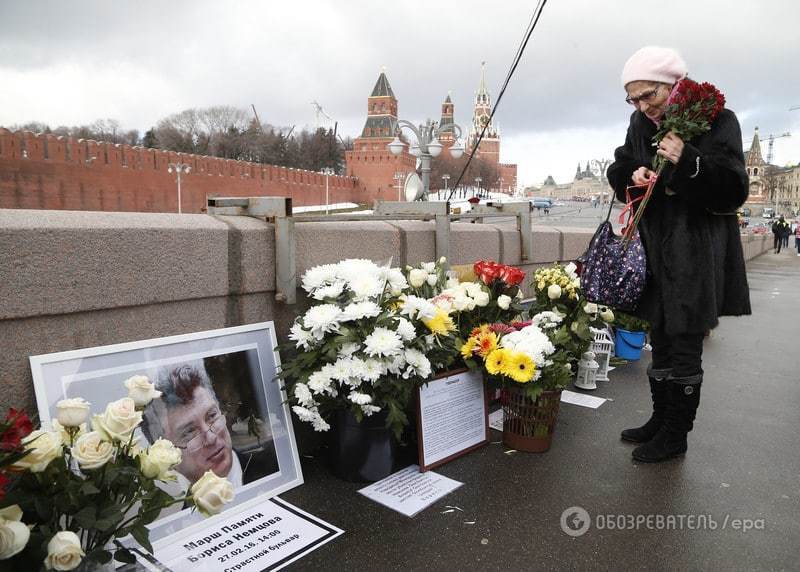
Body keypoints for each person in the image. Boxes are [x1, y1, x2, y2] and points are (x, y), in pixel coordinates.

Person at [607, 46, 751, 463]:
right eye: (633, 98)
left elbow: (733, 190)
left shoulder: (718, 119)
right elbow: (619, 167)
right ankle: (660, 419)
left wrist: (689, 161)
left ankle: (676, 435)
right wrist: (630, 174)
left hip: (695, 251)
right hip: (653, 248)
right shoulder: (640, 122)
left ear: (672, 84)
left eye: (648, 95)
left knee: (685, 342)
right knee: (661, 337)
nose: (641, 106)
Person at [141, 362, 278, 488]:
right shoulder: (185, 515)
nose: (211, 438)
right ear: (166, 456)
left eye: (212, 416)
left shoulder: (275, 468)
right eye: (189, 432)